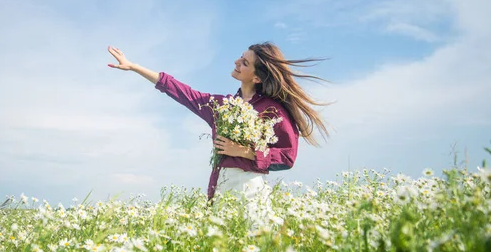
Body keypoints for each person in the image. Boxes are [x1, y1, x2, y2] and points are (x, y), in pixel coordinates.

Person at [107, 42, 329, 204]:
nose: (236, 62)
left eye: (244, 62)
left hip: (249, 190)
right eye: (240, 57)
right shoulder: (223, 106)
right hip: (219, 187)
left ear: (257, 78)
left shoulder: (273, 110)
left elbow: (288, 157)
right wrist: (135, 67)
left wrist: (246, 151)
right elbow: (182, 92)